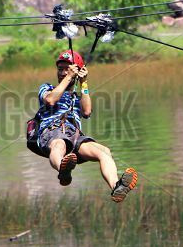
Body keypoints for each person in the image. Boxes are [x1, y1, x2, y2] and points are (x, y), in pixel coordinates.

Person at [36, 50, 138, 202]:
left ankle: (116, 186)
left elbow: (87, 111)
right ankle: (63, 171)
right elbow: (50, 100)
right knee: (59, 144)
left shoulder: (77, 97)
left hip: (75, 136)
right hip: (52, 132)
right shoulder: (47, 88)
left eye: (67, 69)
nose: (63, 72)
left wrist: (83, 82)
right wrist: (69, 76)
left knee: (104, 151)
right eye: (60, 69)